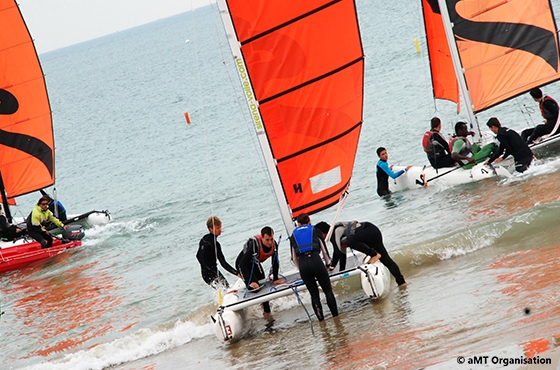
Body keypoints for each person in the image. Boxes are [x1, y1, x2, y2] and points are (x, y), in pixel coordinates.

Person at [315, 221, 406, 287]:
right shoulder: (337, 236)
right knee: (386, 259)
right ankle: (401, 282)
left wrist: (331, 266)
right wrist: (341, 271)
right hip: (371, 231)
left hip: (369, 230)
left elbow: (337, 251)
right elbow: (342, 254)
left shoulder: (335, 231)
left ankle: (374, 254)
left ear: (322, 232)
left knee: (351, 241)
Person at [290, 213, 338, 321]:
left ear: (298, 224)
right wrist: (328, 265)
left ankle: (321, 321)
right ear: (309, 222)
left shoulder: (293, 235)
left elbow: (294, 258)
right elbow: (324, 251)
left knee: (314, 295)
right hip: (316, 261)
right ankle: (336, 317)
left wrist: (300, 269)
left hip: (303, 265)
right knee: (327, 290)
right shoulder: (314, 230)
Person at [235, 226, 285, 314]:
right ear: (262, 238)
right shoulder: (254, 245)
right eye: (267, 240)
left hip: (255, 263)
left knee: (263, 285)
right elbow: (243, 264)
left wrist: (276, 278)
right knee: (255, 288)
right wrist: (251, 282)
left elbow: (275, 262)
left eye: (271, 239)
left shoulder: (274, 245)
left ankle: (266, 312)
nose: (270, 242)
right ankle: (253, 309)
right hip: (242, 265)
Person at [196, 216, 238, 289]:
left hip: (205, 274)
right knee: (226, 289)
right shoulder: (215, 244)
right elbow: (223, 263)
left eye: (220, 227)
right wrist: (237, 273)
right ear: (211, 229)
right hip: (212, 274)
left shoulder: (204, 239)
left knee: (223, 290)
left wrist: (204, 267)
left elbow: (198, 256)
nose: (220, 230)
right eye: (217, 228)